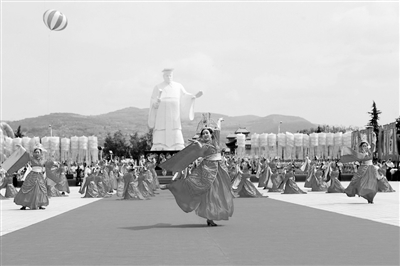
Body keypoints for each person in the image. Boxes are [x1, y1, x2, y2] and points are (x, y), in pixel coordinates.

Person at [161, 124, 234, 226]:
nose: (204, 135)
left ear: (211, 134)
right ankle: (171, 186)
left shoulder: (215, 141)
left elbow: (218, 128)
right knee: (195, 187)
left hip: (218, 171)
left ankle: (210, 217)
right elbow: (199, 152)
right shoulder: (201, 145)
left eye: (206, 133)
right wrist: (198, 144)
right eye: (203, 133)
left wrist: (219, 121)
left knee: (216, 194)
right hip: (206, 170)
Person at [148, 68, 203, 151]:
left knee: (175, 130)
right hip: (162, 115)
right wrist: (156, 103)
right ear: (163, 76)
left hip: (174, 115)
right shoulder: (158, 87)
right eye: (167, 75)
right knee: (161, 131)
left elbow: (185, 96)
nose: (168, 77)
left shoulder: (178, 86)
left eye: (170, 75)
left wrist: (192, 97)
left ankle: (177, 145)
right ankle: (159, 144)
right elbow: (153, 101)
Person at [14, 145, 49, 210]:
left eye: (38, 152)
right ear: (34, 153)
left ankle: (39, 204)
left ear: (40, 153)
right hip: (32, 175)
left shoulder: (42, 159)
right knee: (27, 189)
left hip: (40, 176)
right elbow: (26, 153)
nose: (37, 153)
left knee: (40, 190)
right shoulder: (31, 158)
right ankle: (24, 204)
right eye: (36, 152)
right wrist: (21, 147)